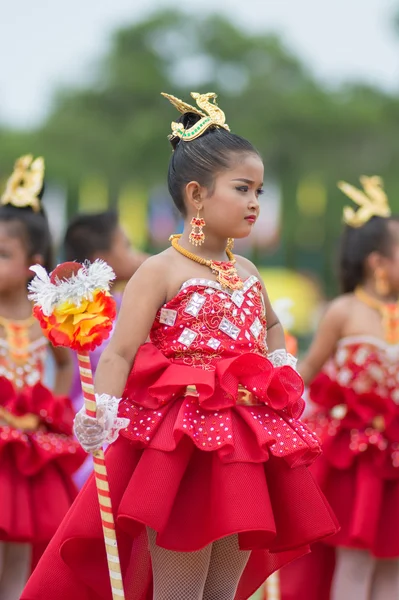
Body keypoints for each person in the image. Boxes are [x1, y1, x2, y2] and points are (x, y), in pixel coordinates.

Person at [22, 92, 337, 600]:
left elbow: (273, 325)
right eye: (242, 188)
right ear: (196, 195)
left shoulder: (249, 272)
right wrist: (101, 409)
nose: (256, 202)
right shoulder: (159, 270)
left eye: (260, 189)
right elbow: (121, 351)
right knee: (179, 593)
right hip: (180, 450)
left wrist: (280, 365)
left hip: (245, 449)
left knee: (222, 593)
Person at [280, 176, 399, 600]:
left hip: (397, 458)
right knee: (355, 559)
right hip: (354, 460)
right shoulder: (342, 312)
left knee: (394, 563)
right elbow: (307, 370)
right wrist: (274, 413)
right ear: (377, 262)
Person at [0, 155, 85, 600]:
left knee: (18, 550)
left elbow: (67, 362)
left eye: (3, 254)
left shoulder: (42, 315)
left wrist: (54, 403)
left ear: (33, 262)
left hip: (28, 450)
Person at [64, 210, 148, 487]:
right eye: (126, 245)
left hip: (124, 422)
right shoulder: (72, 312)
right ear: (103, 259)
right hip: (87, 422)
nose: (136, 254)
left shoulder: (132, 304)